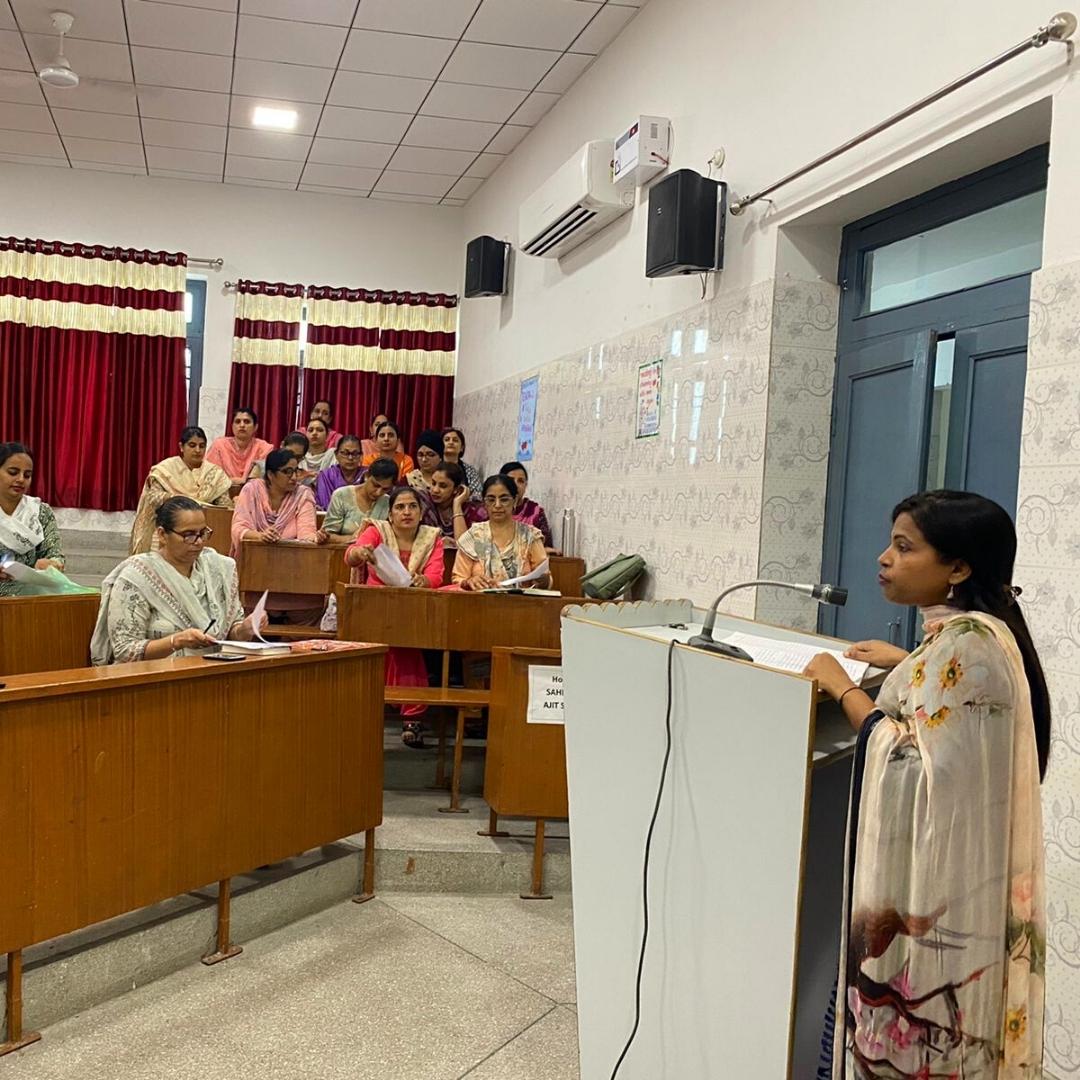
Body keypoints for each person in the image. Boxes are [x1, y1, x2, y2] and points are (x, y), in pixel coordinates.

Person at [804, 491, 1048, 1080]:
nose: (884, 558)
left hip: (936, 902)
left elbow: (912, 768)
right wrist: (907, 662)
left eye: (905, 546)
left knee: (918, 1041)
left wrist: (843, 688)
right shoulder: (967, 636)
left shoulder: (966, 645)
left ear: (959, 569)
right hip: (959, 888)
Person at [92, 496, 264, 664]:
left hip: (212, 672)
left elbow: (231, 631)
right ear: (162, 535)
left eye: (203, 533)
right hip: (154, 679)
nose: (198, 542)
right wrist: (176, 641)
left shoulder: (218, 569)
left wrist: (244, 629)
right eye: (188, 535)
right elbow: (124, 651)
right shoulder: (137, 577)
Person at [345, 487, 444, 747]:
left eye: (412, 506)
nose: (407, 512)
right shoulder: (377, 530)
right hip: (376, 606)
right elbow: (351, 555)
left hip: (414, 609)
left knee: (405, 642)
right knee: (395, 644)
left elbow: (436, 576)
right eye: (400, 507)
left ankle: (408, 712)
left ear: (422, 513)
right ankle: (409, 714)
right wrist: (360, 553)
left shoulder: (432, 537)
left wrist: (424, 580)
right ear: (390, 514)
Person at [230, 448, 327, 624]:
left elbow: (306, 534)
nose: (294, 477)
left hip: (294, 578)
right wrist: (259, 536)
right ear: (271, 475)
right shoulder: (252, 490)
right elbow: (238, 528)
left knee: (308, 614)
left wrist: (316, 538)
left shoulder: (303, 494)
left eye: (296, 471)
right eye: (287, 472)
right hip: (256, 575)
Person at [129, 426, 232, 555]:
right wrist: (178, 500)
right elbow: (152, 497)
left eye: (202, 446)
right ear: (182, 447)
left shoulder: (215, 473)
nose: (197, 450)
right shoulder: (165, 469)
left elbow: (225, 506)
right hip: (170, 527)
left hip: (202, 531)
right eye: (192, 445)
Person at [453, 474, 550, 591]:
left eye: (504, 499)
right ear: (484, 503)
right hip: (478, 604)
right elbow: (458, 580)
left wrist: (543, 579)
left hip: (522, 605)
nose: (497, 505)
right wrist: (468, 582)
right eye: (491, 499)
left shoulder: (529, 536)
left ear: (514, 501)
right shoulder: (474, 536)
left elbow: (545, 579)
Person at [0, 442, 66, 597]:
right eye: (13, 472)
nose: (21, 479)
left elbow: (55, 554)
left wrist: (53, 564)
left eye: (27, 475)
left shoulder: (40, 512)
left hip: (29, 600)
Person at [323, 456, 395, 540]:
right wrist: (353, 539)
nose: (378, 492)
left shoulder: (388, 502)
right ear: (367, 476)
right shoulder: (341, 495)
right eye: (376, 485)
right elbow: (327, 536)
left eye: (385, 489)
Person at [421, 461, 485, 549]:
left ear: (456, 489)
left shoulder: (472, 510)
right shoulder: (424, 502)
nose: (435, 490)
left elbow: (464, 547)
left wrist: (457, 505)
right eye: (433, 483)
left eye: (443, 486)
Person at [205, 407, 273, 487]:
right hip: (222, 492)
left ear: (255, 427)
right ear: (232, 426)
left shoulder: (264, 448)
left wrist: (234, 481)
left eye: (247, 422)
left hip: (254, 493)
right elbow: (211, 476)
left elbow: (261, 479)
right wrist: (240, 481)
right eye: (237, 422)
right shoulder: (220, 445)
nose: (242, 425)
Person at [500, 461, 555, 550]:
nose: (516, 485)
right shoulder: (491, 510)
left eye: (521, 481)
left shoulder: (535, 512)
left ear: (526, 485)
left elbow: (546, 547)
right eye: (511, 480)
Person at [315, 434, 365, 510]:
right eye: (345, 453)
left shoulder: (367, 474)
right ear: (336, 454)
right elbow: (325, 505)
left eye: (355, 453)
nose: (350, 458)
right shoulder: (326, 476)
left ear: (361, 455)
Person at [441, 427, 482, 497]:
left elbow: (477, 495)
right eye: (447, 440)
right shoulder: (434, 466)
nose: (451, 442)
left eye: (455, 440)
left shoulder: (469, 470)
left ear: (462, 448)